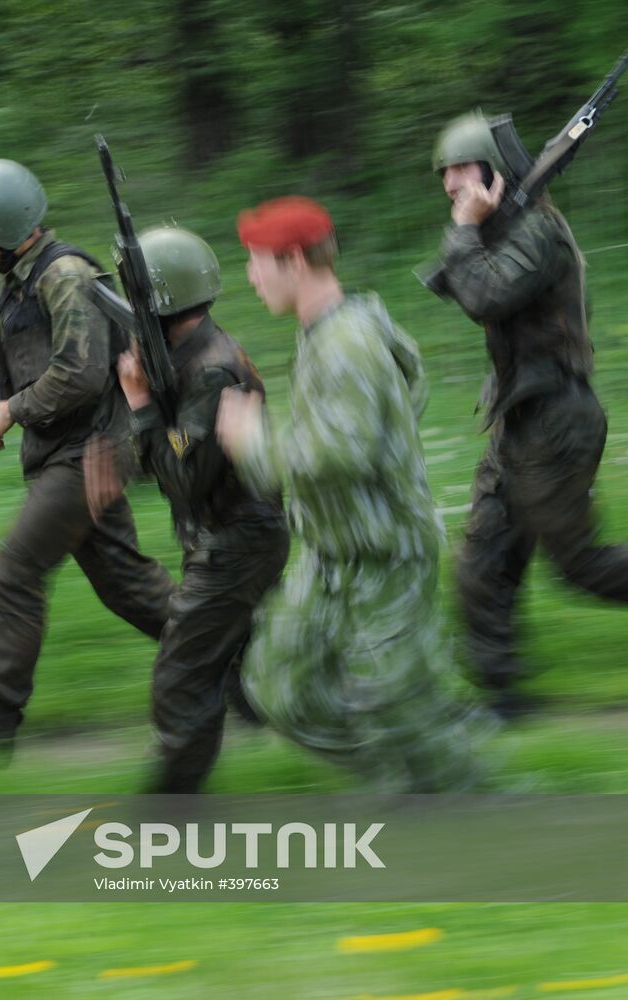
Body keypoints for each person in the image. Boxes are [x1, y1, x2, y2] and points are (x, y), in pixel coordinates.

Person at [216, 196, 482, 791]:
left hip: (384, 558)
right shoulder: (324, 332)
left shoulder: (348, 343)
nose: (250, 276)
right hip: (330, 554)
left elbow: (344, 452)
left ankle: (476, 811)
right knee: (279, 685)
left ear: (293, 260)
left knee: (404, 708)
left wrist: (253, 442)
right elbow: (392, 402)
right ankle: (403, 780)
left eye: (257, 261)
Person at [0, 159, 174, 766]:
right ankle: (237, 656)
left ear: (7, 229)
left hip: (92, 454)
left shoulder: (64, 276)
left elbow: (79, 377)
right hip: (70, 451)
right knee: (129, 588)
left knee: (11, 574)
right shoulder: (22, 281)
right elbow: (15, 380)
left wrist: (12, 412)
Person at [429, 111, 628, 717]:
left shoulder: (538, 232)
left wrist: (464, 230)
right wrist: (472, 230)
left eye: (464, 169)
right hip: (521, 422)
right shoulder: (506, 228)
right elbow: (471, 286)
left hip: (558, 423)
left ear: (495, 172)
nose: (452, 185)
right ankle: (502, 701)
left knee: (579, 566)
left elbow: (486, 293)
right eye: (446, 174)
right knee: (484, 561)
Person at [88, 226, 289, 792]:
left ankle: (171, 806)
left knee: (182, 675)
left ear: (162, 300)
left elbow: (181, 482)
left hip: (238, 542)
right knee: (252, 660)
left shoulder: (210, 371)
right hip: (229, 536)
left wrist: (142, 405)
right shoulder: (184, 353)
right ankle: (315, 717)